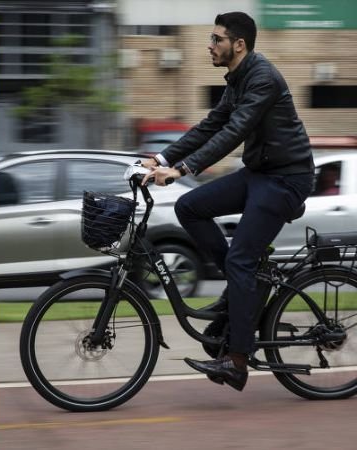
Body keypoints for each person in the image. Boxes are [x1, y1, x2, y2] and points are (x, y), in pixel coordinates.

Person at [140, 12, 313, 392]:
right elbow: (211, 125)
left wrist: (183, 170)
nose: (210, 45)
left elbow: (235, 132)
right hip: (259, 175)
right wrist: (162, 159)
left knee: (239, 259)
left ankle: (236, 362)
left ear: (239, 45)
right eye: (211, 38)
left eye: (217, 39)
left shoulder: (262, 78)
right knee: (190, 208)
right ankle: (241, 291)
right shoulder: (238, 78)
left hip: (286, 179)